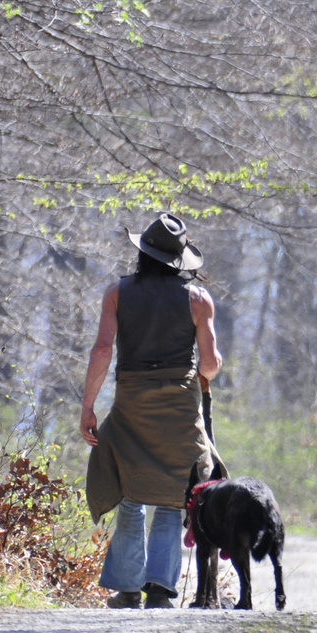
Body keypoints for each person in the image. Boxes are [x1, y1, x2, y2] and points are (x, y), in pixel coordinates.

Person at [81, 213, 222, 609]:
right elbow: (209, 366)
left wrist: (88, 406)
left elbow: (103, 351)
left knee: (130, 490)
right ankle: (159, 588)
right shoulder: (198, 299)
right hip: (180, 406)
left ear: (142, 252)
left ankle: (126, 588)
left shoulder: (117, 293)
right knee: (175, 494)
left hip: (131, 403)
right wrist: (207, 363)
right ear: (179, 259)